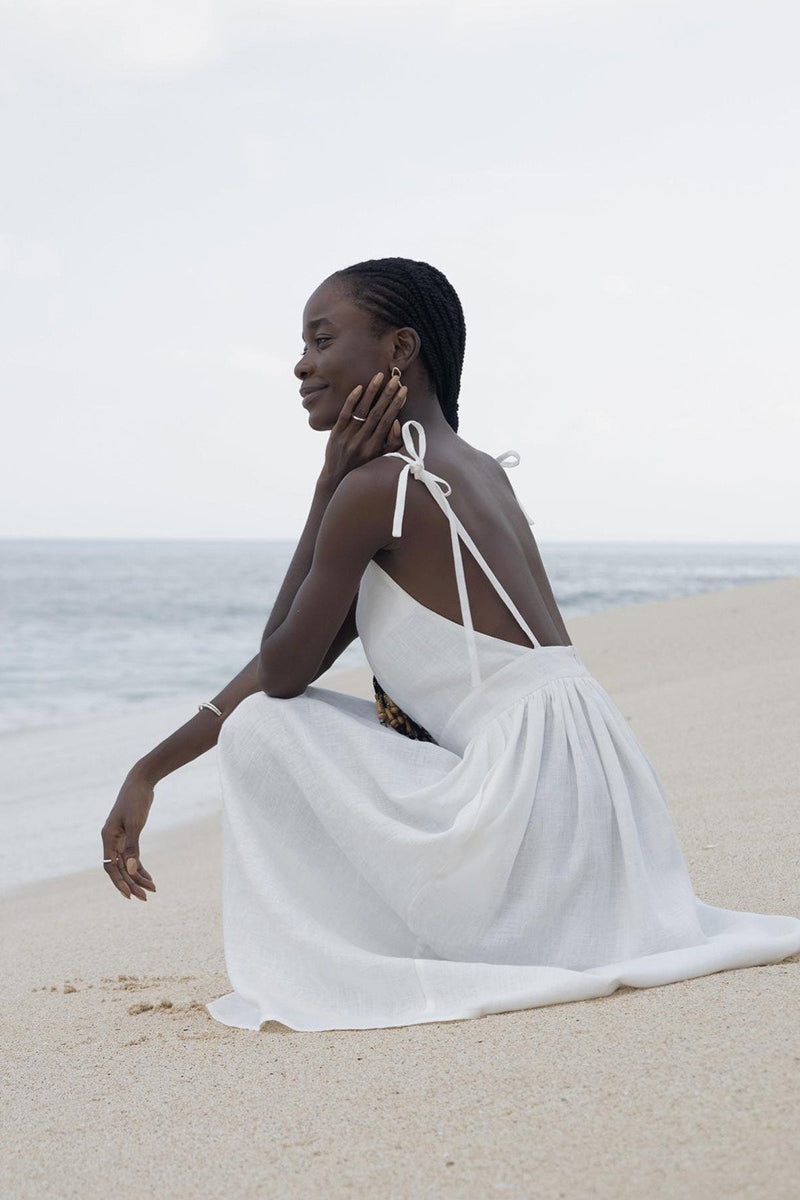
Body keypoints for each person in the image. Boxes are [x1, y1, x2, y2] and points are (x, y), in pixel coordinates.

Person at [101, 257, 800, 1033]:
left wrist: (326, 488)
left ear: (400, 349)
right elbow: (288, 658)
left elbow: (283, 672)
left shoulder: (377, 489)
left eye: (322, 340)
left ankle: (352, 955)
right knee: (268, 715)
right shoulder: (474, 471)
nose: (301, 365)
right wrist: (151, 768)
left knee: (263, 729)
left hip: (528, 810)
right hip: (595, 800)